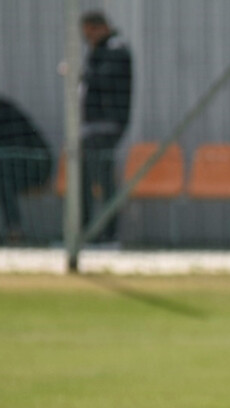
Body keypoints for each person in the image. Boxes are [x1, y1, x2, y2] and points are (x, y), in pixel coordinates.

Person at [79, 10, 132, 243]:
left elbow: (104, 80)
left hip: (107, 125)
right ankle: (85, 232)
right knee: (84, 178)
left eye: (89, 33)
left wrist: (82, 74)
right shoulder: (99, 51)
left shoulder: (115, 49)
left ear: (99, 27)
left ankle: (108, 234)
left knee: (104, 180)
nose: (86, 38)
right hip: (92, 126)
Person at [0, 97, 52, 244]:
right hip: (12, 166)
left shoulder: (5, 111)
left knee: (4, 172)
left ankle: (14, 230)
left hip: (37, 166)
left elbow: (13, 149)